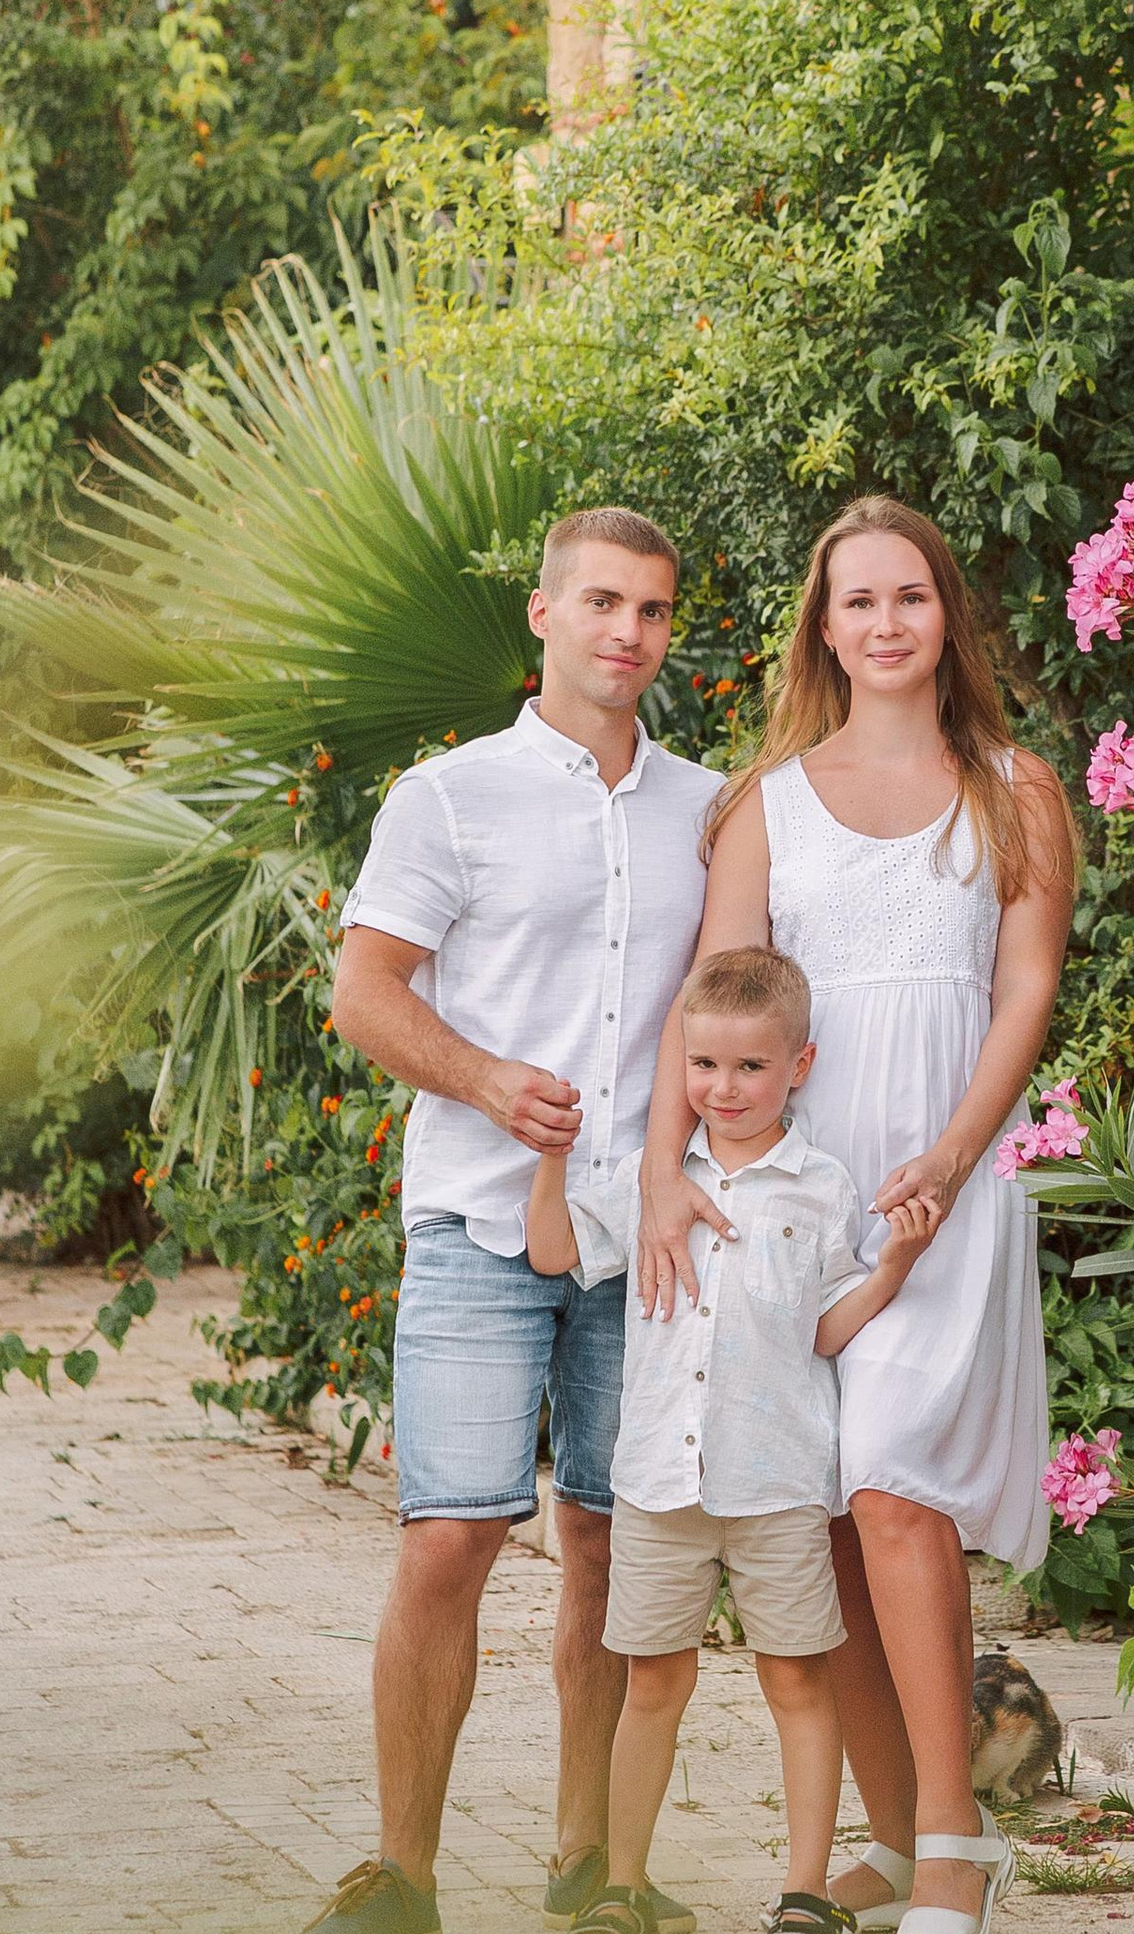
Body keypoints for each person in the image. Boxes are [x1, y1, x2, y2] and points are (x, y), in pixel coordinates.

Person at [637, 498, 1077, 1934]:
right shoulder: (765, 801)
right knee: (824, 1513)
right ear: (822, 628)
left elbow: (1024, 995)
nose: (886, 623)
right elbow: (711, 1005)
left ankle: (956, 1840)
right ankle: (890, 1837)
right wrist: (671, 1174)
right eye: (857, 601)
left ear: (946, 613)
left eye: (910, 596)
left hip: (941, 1187)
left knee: (893, 1486)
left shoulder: (1016, 788)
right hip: (801, 1200)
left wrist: (949, 1162)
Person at [309, 507, 719, 1934]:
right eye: (603, 601)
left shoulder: (711, 810)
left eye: (654, 610)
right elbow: (365, 994)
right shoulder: (449, 800)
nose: (629, 631)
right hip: (482, 1222)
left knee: (613, 1547)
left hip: (645, 1238)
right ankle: (403, 1876)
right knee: (449, 1538)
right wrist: (484, 1080)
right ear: (542, 615)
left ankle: (591, 1869)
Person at [526, 944, 942, 1934]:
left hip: (777, 1480)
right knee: (653, 1681)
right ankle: (623, 1886)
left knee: (797, 1677)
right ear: (681, 1064)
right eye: (703, 1065)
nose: (723, 1087)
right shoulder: (646, 1177)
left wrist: (898, 1262)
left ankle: (805, 1893)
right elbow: (551, 1249)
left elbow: (828, 1325)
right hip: (658, 1485)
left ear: (797, 1065)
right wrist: (551, 1156)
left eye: (751, 1066)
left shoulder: (823, 1187)